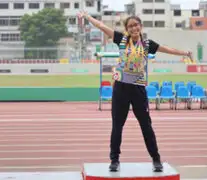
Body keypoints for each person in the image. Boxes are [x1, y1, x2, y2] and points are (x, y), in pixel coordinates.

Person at [78, 11, 193, 172]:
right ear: (127, 29)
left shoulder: (148, 44)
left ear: (140, 26)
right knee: (117, 126)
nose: (134, 28)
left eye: (136, 25)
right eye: (130, 26)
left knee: (146, 125)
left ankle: (156, 159)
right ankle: (114, 160)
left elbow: (166, 49)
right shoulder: (121, 40)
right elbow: (102, 26)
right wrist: (87, 17)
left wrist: (185, 53)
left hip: (138, 89)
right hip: (120, 89)